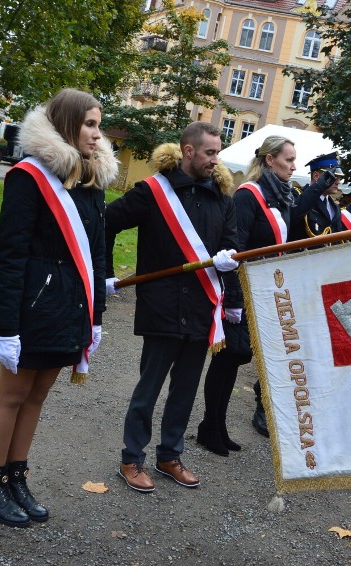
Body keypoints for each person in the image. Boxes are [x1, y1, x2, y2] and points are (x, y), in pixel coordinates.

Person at [0, 88, 119, 527]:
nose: (97, 135)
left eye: (99, 125)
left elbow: (97, 254)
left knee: (37, 396)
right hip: (32, 308)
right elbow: (9, 257)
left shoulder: (92, 177)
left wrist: (95, 317)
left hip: (71, 308)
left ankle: (17, 476)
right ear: (66, 124)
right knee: (12, 395)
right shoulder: (29, 177)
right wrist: (6, 328)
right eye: (89, 125)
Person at [105, 122, 240, 492]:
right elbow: (106, 222)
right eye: (210, 152)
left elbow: (231, 245)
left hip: (201, 308)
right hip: (161, 306)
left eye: (219, 152)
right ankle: (132, 459)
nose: (217, 159)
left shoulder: (223, 199)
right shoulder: (152, 193)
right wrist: (104, 273)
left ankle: (170, 456)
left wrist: (230, 264)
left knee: (185, 389)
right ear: (188, 151)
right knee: (148, 388)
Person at [200, 135, 326, 448]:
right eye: (288, 159)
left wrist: (319, 187)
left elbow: (290, 226)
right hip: (242, 292)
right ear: (269, 160)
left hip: (263, 292)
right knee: (229, 357)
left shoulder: (279, 196)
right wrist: (233, 299)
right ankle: (210, 426)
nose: (293, 166)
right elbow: (234, 248)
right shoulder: (249, 195)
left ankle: (216, 426)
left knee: (235, 359)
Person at [290, 151, 345, 240]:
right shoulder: (297, 195)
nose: (338, 182)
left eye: (340, 178)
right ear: (316, 176)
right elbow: (293, 216)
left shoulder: (335, 207)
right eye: (333, 177)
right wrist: (318, 188)